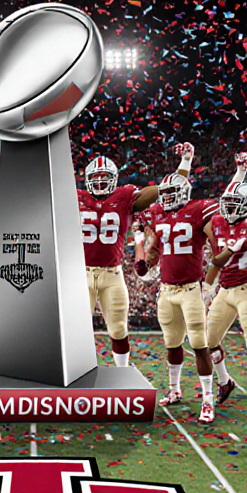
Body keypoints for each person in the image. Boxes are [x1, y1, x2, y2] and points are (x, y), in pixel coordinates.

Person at [136, 143, 221, 423]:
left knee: (199, 345)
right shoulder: (159, 214)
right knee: (172, 344)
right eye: (166, 193)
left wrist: (209, 284)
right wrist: (146, 263)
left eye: (173, 191)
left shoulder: (198, 210)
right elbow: (154, 247)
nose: (168, 197)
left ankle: (208, 400)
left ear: (184, 191)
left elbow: (217, 248)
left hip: (190, 289)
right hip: (167, 289)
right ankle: (175, 390)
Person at [78, 154, 159, 367]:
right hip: (80, 273)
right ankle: (79, 371)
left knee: (119, 329)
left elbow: (150, 194)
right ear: (87, 179)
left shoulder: (124, 196)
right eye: (97, 177)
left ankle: (121, 373)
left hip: (112, 273)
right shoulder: (75, 197)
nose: (101, 182)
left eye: (105, 177)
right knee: (76, 329)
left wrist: (169, 182)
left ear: (115, 179)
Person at [204, 168, 247, 408]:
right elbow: (216, 259)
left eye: (235, 204)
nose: (228, 209)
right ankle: (225, 381)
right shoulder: (217, 221)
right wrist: (240, 171)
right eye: (227, 203)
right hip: (225, 288)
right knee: (209, 341)